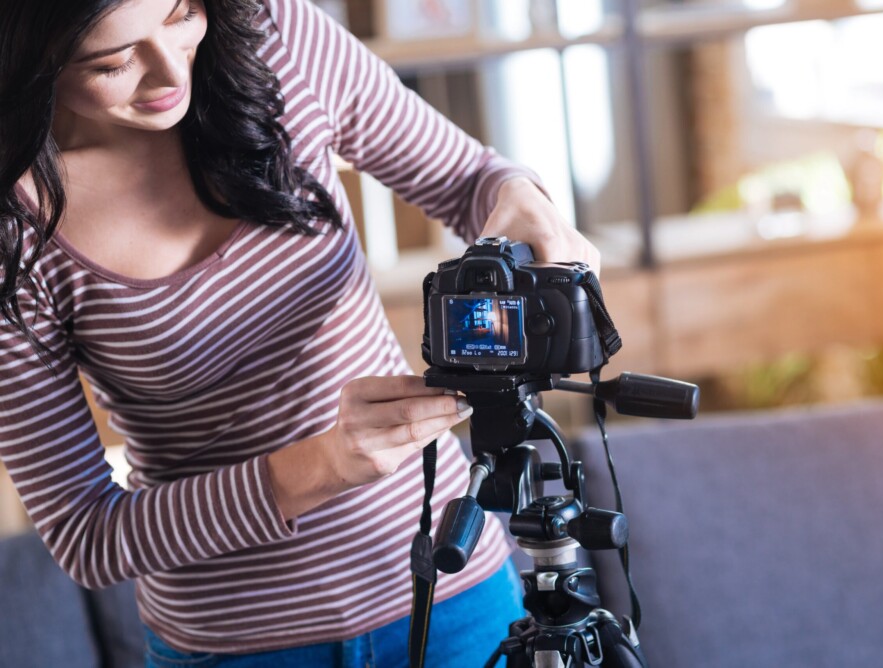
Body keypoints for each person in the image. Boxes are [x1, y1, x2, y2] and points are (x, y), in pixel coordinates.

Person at [0, 0, 600, 665]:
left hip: (458, 594)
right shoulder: (15, 232)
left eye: (179, 14)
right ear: (31, 56)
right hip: (235, 647)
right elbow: (88, 535)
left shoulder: (278, 38)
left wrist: (524, 203)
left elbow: (470, 183)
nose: (170, 70)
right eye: (112, 61)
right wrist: (324, 464)